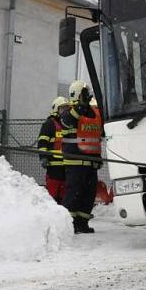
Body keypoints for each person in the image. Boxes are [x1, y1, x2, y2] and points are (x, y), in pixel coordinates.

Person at [60, 80, 103, 234]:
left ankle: (82, 223)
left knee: (88, 195)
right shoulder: (68, 112)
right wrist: (80, 106)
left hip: (91, 163)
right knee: (73, 194)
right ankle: (67, 225)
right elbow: (68, 121)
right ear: (78, 94)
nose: (87, 95)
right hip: (75, 162)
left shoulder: (93, 112)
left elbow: (98, 134)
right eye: (85, 92)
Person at [37, 96, 69, 203]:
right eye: (62, 108)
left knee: (64, 194)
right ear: (56, 109)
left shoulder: (68, 124)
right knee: (53, 193)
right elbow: (42, 142)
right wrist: (43, 157)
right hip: (54, 166)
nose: (65, 110)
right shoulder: (49, 124)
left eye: (66, 108)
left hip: (67, 165)